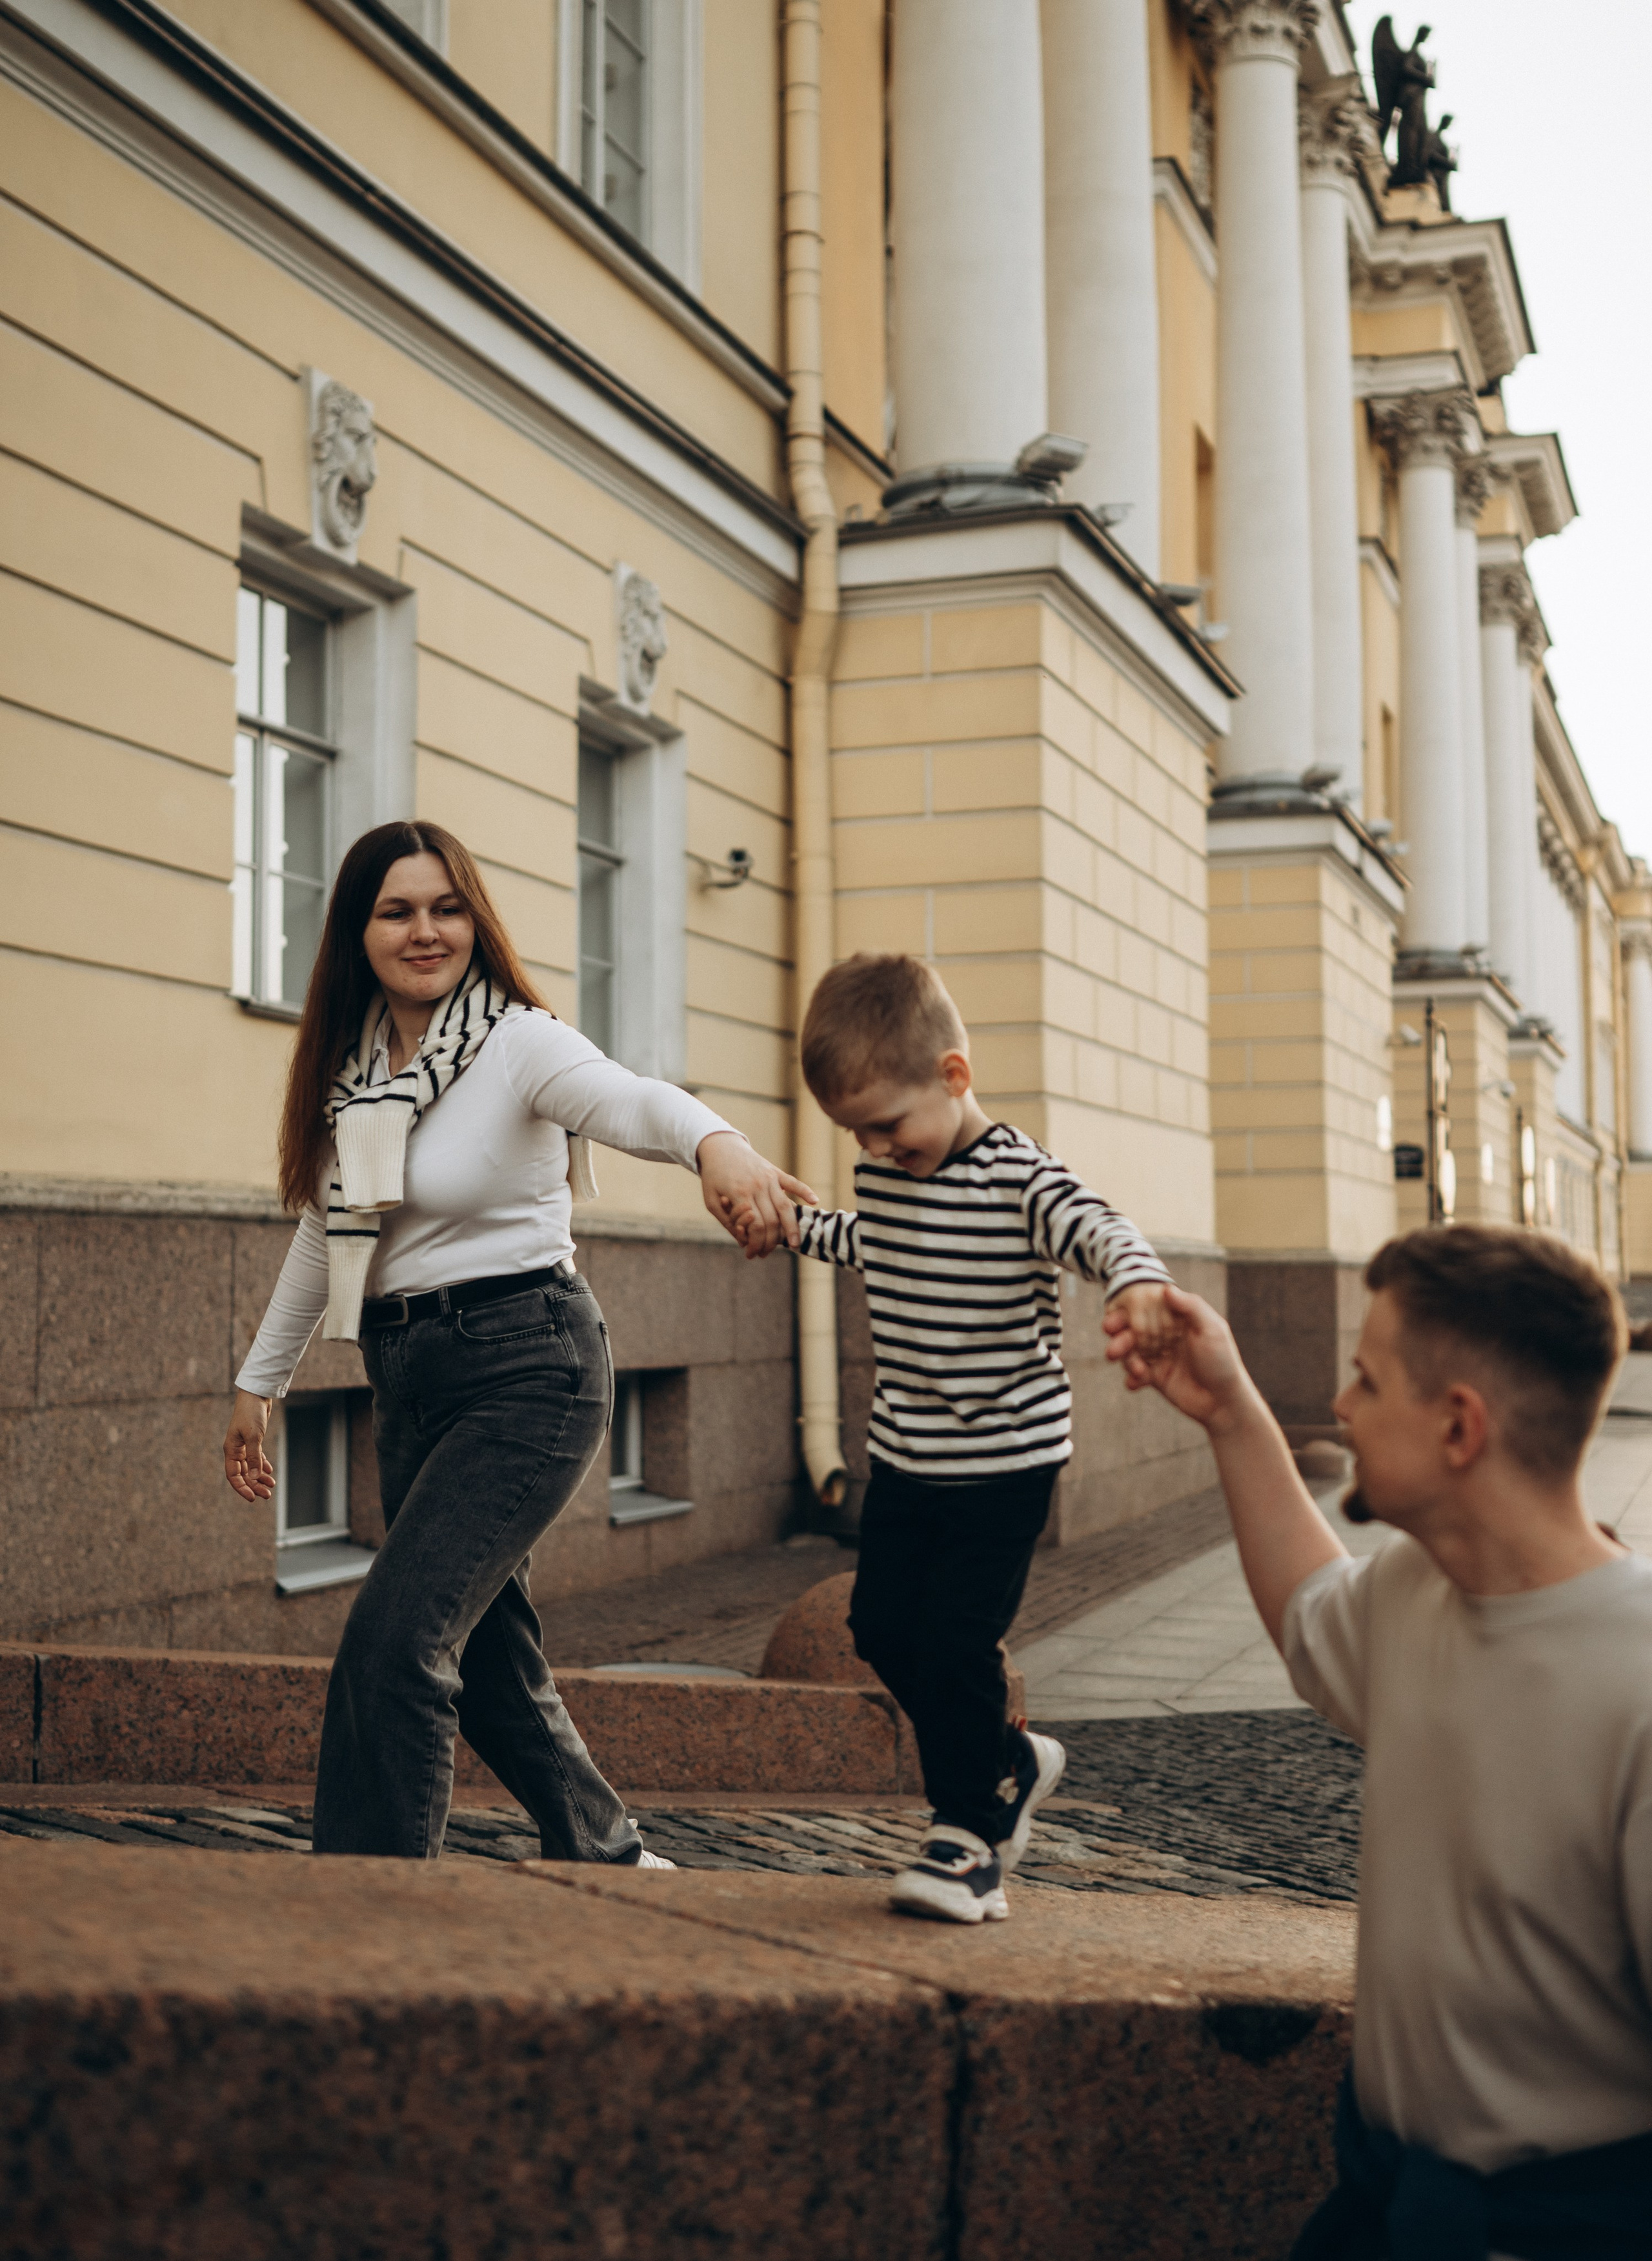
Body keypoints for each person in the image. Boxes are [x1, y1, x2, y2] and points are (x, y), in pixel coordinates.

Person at [225, 820, 811, 1863]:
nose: (424, 931)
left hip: (527, 1364)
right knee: (489, 1660)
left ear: (476, 919)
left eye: (447, 907)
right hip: (406, 1377)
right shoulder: (356, 1071)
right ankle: (607, 1847)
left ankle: (366, 1909)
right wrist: (259, 1383)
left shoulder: (516, 1042)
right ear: (357, 931)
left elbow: (631, 1099)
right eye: (396, 910)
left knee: (395, 1639)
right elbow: (326, 1228)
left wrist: (718, 1146)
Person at [1107, 1224, 1652, 2255]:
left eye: (1366, 1378)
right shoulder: (1417, 1585)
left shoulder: (1640, 1680)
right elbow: (1314, 1611)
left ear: (1459, 1427)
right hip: (1379, 2209)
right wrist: (1228, 1411)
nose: (1344, 1406)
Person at [785, 953, 1180, 1923]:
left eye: (888, 1124)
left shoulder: (1019, 1178)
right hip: (908, 1458)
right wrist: (790, 1228)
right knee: (879, 1628)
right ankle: (1011, 1757)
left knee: (959, 1640)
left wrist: (1137, 1283)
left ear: (954, 1077)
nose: (876, 1150)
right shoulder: (887, 1177)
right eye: (855, 1133)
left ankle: (969, 1835)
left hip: (1008, 1461)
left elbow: (1099, 1228)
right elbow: (865, 1239)